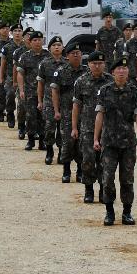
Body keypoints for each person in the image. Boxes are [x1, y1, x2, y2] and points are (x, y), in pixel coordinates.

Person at [94, 57, 137, 226]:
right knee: (107, 178)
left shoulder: (134, 91)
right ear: (113, 72)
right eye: (118, 69)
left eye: (124, 68)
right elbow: (100, 115)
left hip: (128, 143)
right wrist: (96, 138)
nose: (122, 71)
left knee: (127, 179)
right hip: (108, 142)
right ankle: (109, 211)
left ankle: (127, 212)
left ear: (128, 71)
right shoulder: (105, 90)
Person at [72, 51, 112, 203]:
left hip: (106, 129)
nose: (97, 66)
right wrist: (74, 127)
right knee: (87, 160)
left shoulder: (110, 81)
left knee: (105, 161)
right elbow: (76, 106)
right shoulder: (81, 81)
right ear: (88, 64)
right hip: (87, 128)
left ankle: (103, 189)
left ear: (104, 64)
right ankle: (88, 189)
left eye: (100, 63)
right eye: (94, 63)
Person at [51, 43, 88, 183]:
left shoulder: (86, 71)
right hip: (66, 112)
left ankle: (79, 170)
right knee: (67, 142)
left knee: (81, 143)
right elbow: (55, 91)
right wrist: (56, 110)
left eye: (78, 52)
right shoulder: (60, 71)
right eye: (73, 53)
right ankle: (66, 170)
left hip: (84, 114)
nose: (77, 55)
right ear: (67, 56)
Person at [16, 30, 49, 150]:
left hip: (45, 93)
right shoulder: (25, 56)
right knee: (30, 116)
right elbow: (20, 74)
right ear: (30, 42)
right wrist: (21, 90)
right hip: (30, 91)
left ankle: (42, 140)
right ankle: (30, 140)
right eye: (35, 40)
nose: (37, 42)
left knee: (43, 117)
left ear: (42, 41)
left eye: (39, 40)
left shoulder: (47, 56)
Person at [36, 36, 66, 164]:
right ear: (49, 48)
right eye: (54, 45)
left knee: (63, 129)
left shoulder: (67, 63)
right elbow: (41, 84)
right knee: (49, 127)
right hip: (48, 100)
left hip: (64, 101)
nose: (57, 47)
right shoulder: (44, 64)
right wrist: (40, 101)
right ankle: (49, 150)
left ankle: (61, 152)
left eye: (59, 45)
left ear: (63, 47)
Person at [0, 23, 25, 129]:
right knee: (10, 95)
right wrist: (1, 77)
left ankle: (22, 121)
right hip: (10, 75)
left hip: (23, 77)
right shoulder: (7, 47)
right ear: (11, 33)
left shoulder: (26, 46)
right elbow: (2, 64)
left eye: (19, 31)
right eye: (15, 31)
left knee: (23, 100)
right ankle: (10, 114)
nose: (17, 33)